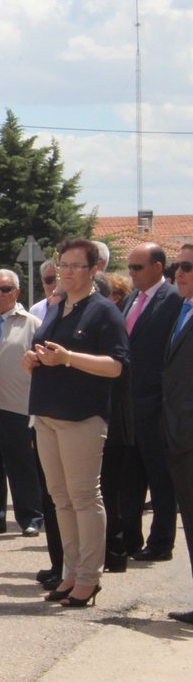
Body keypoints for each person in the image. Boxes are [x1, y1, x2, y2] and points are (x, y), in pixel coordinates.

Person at [22, 237, 128, 608]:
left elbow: (115, 366)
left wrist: (68, 358)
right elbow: (48, 348)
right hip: (47, 413)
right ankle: (69, 571)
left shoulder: (104, 311)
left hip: (82, 416)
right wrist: (34, 358)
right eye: (62, 265)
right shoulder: (56, 306)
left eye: (75, 266)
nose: (66, 272)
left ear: (94, 268)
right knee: (60, 498)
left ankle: (89, 578)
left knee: (84, 497)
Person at [118, 243, 183, 563]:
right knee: (130, 477)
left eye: (137, 268)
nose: (131, 273)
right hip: (128, 405)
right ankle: (130, 540)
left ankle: (161, 543)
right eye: (129, 267)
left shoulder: (172, 300)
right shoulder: (130, 300)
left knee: (160, 479)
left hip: (156, 404)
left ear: (158, 267)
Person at [0, 270, 43, 536]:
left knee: (21, 464)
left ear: (16, 291)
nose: (0, 295)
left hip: (16, 403)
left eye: (6, 289)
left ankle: (31, 517)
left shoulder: (32, 324)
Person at [161, 244, 193, 625]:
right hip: (178, 434)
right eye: (177, 266)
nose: (179, 274)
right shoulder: (182, 309)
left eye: (187, 267)